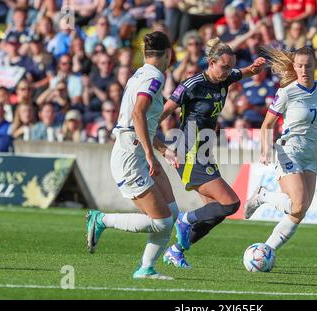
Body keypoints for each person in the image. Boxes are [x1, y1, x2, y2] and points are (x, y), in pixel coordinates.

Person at [160, 38, 267, 268]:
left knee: (214, 215)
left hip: (204, 152)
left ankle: (176, 251)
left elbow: (245, 72)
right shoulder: (192, 85)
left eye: (230, 68)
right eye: (224, 67)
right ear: (211, 62)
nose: (228, 72)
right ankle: (185, 218)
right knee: (231, 203)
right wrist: (153, 141)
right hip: (189, 153)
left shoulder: (226, 77)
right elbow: (164, 111)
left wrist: (255, 67)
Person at [85, 31, 179, 280]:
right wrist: (150, 155)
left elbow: (140, 122)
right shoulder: (155, 76)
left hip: (135, 149)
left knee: (172, 211)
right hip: (130, 156)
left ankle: (147, 268)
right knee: (162, 222)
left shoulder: (140, 73)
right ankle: (102, 219)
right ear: (168, 54)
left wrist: (160, 149)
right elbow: (138, 114)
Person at [243, 46, 317, 261]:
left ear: (315, 67)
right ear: (294, 66)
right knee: (297, 204)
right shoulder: (287, 92)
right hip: (288, 150)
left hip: (310, 155)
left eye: (307, 66)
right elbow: (267, 124)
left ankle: (266, 250)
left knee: (299, 212)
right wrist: (265, 150)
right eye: (299, 66)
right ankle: (262, 196)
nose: (303, 70)